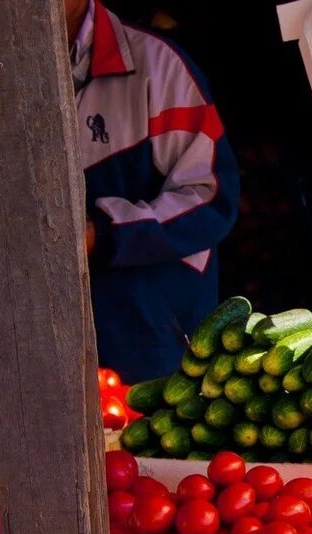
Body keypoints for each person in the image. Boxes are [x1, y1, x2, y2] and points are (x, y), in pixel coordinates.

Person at [67, 0, 240, 382]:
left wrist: (104, 233)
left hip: (151, 351)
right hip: (27, 353)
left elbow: (210, 196)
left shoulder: (157, 67)